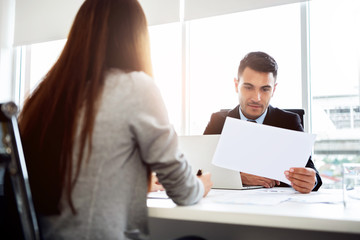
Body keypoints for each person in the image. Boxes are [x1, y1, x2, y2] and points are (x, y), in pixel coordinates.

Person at [18, 0, 212, 239]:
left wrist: (132, 184)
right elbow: (183, 190)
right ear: (136, 38)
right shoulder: (134, 86)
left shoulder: (48, 96)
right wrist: (202, 185)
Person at [203, 51, 322, 194]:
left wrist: (311, 180)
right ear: (236, 85)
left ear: (274, 90)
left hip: (277, 208)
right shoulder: (218, 121)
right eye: (248, 87)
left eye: (265, 89)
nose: (257, 98)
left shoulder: (289, 121)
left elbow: (311, 171)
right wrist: (239, 178)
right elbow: (201, 171)